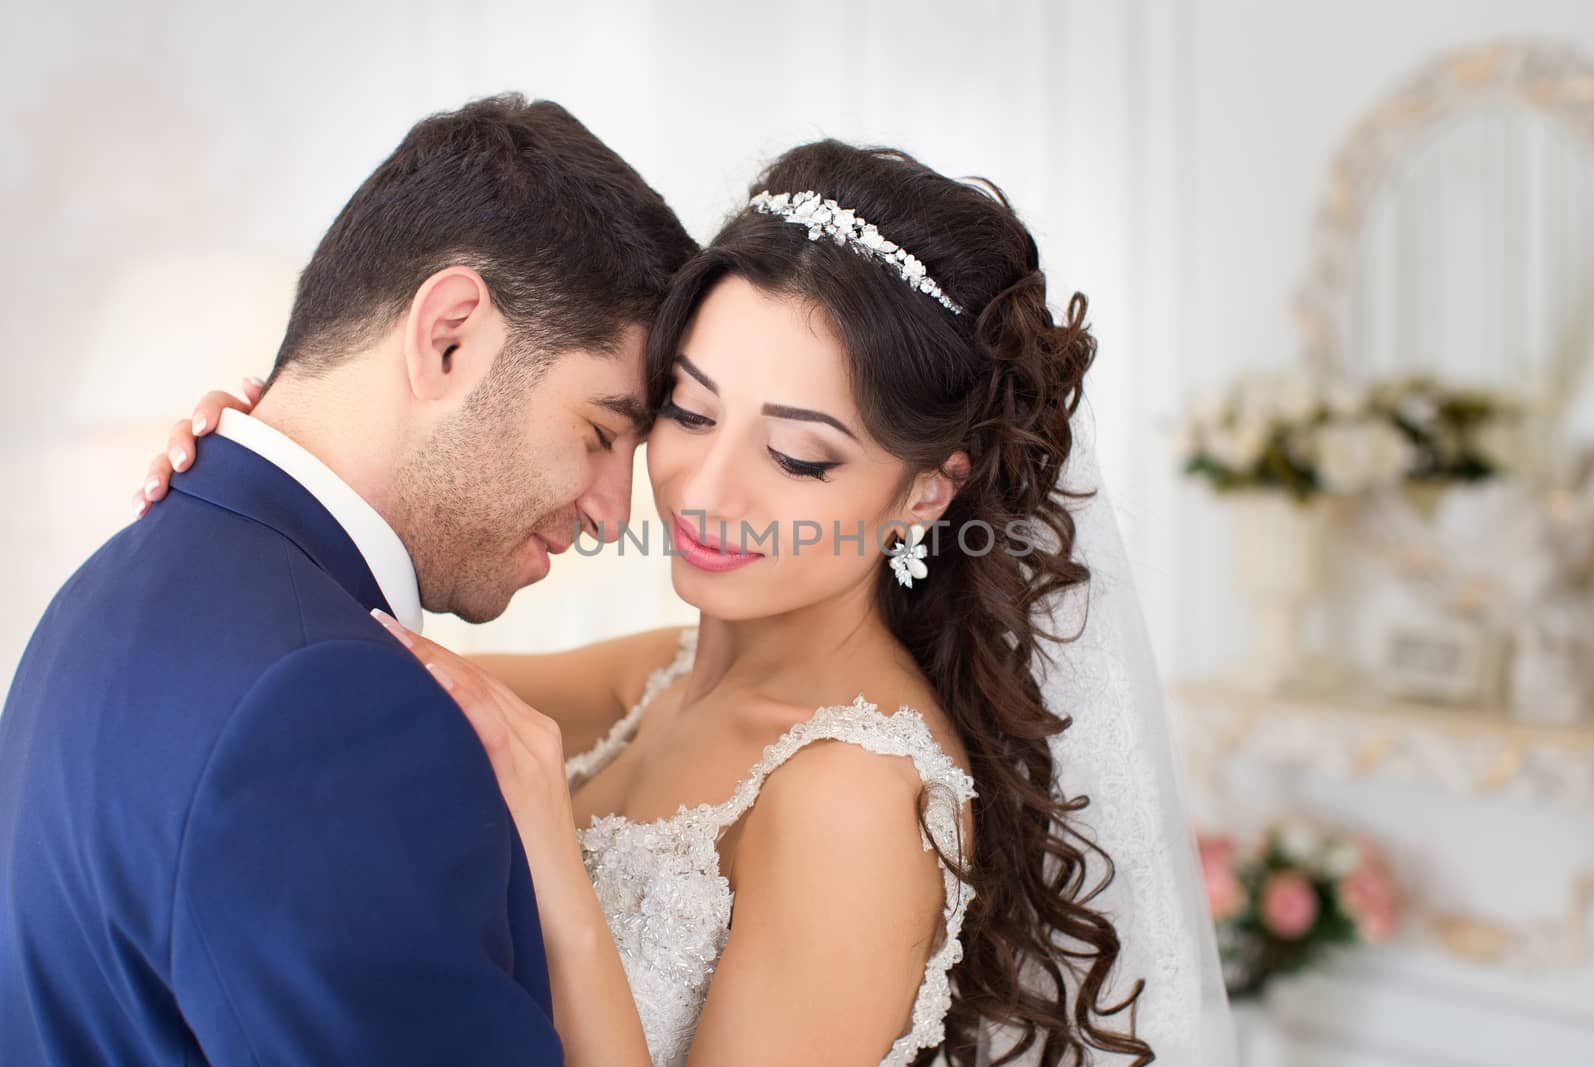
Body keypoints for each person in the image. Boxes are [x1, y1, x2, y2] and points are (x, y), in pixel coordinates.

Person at [143, 140, 1237, 1066]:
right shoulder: (655, 672)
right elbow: (326, 672)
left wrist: (557, 871)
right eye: (689, 410)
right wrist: (269, 462)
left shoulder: (851, 791)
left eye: (800, 455)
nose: (708, 492)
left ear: (921, 492)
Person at [0, 94, 698, 1066]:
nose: (614, 510)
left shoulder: (110, 588)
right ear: (449, 334)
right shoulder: (329, 709)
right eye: (598, 431)